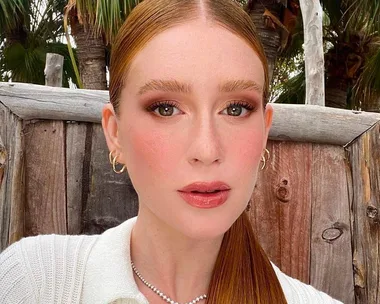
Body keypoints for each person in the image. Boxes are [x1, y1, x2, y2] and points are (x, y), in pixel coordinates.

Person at [0, 0, 343, 303]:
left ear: (264, 130)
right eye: (165, 108)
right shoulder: (34, 281)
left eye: (236, 109)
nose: (207, 150)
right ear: (115, 132)